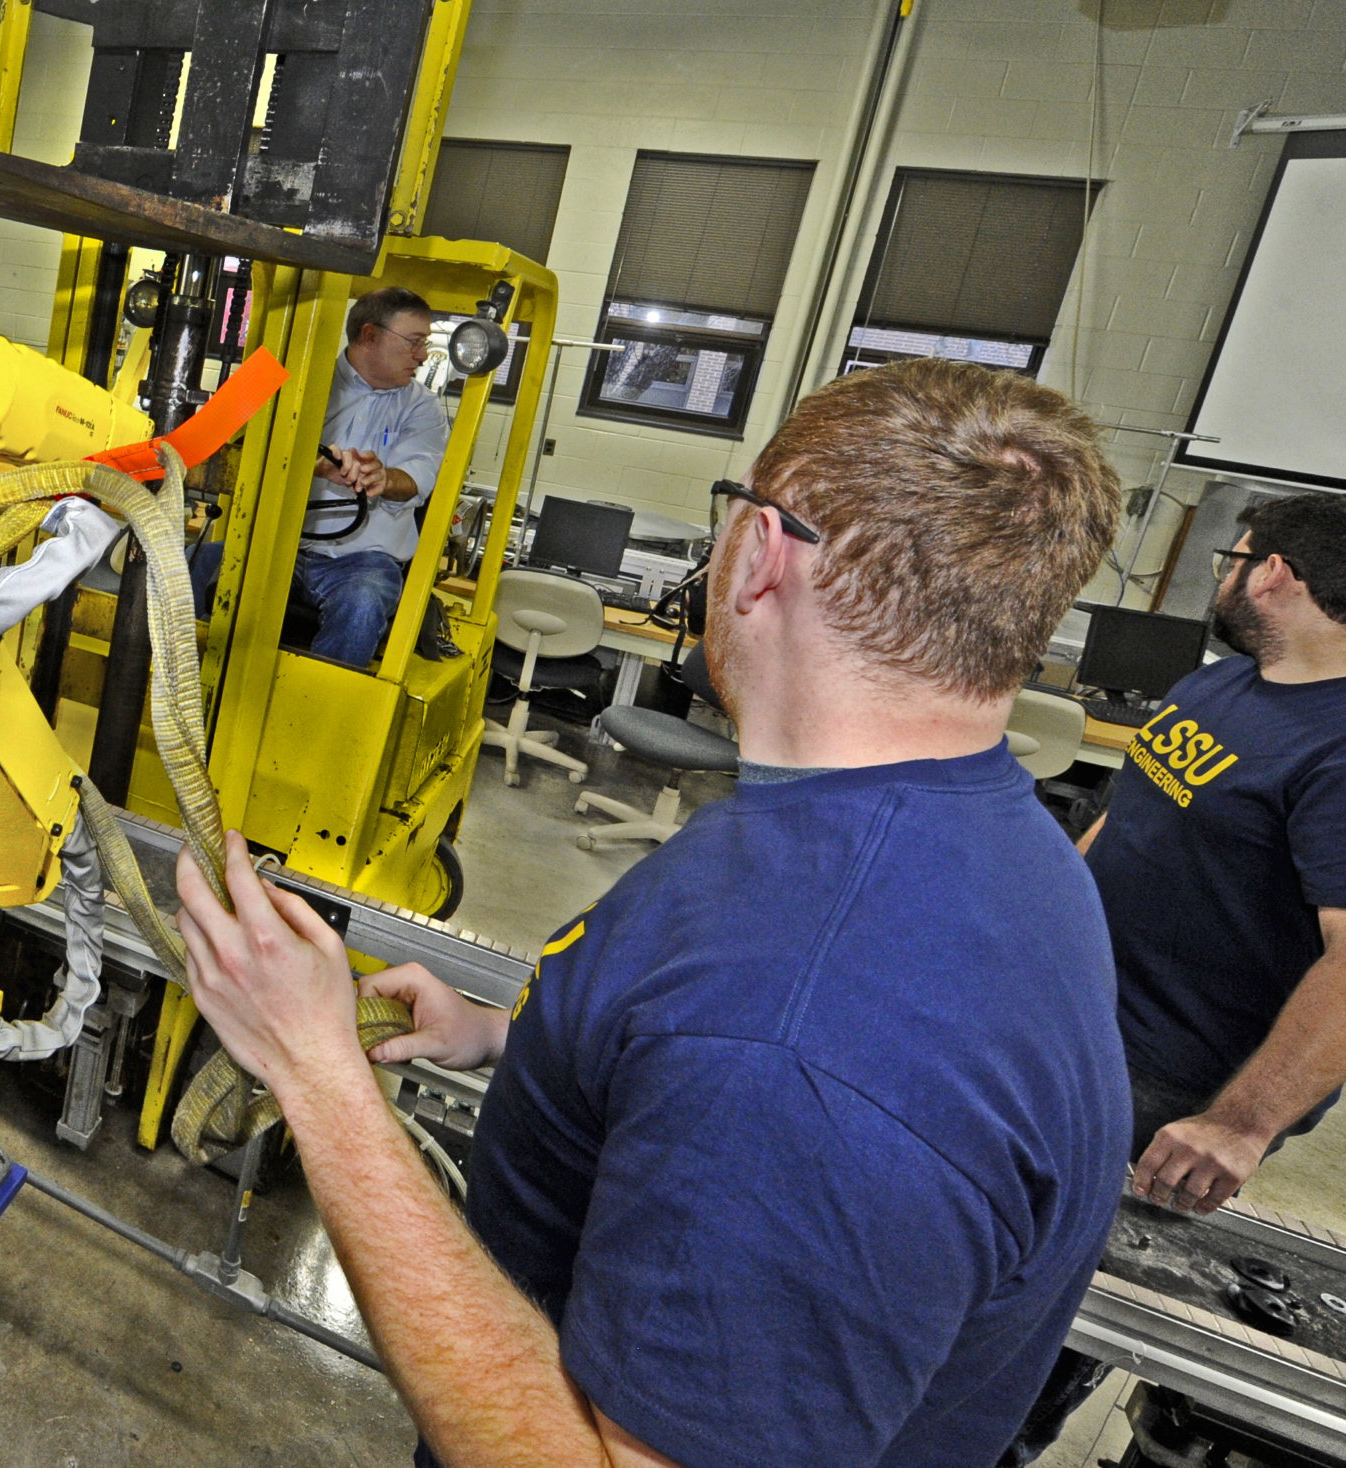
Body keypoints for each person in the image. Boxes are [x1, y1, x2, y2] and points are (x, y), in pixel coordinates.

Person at [173, 358, 1131, 1467]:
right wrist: (513, 1035)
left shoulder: (797, 1038)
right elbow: (710, 1053)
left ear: (762, 553)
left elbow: (766, 1065)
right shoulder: (959, 835)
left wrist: (316, 1075)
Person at [1003, 492, 1346, 1463]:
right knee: (966, 1253)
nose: (1220, 574)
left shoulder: (1343, 742)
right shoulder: (1220, 686)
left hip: (1162, 1086)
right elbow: (1119, 825)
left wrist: (1240, 1123)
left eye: (1229, 557)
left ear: (1275, 571)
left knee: (1039, 1319)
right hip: (1065, 1022)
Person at [189, 286, 449, 666]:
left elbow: (419, 474)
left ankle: (313, 714)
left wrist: (384, 478)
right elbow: (243, 450)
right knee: (191, 562)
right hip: (281, 546)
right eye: (414, 342)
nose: (422, 356)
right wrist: (313, 467)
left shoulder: (422, 408)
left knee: (363, 602)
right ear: (370, 335)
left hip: (363, 561)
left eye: (424, 344)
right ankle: (182, 674)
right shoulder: (302, 384)